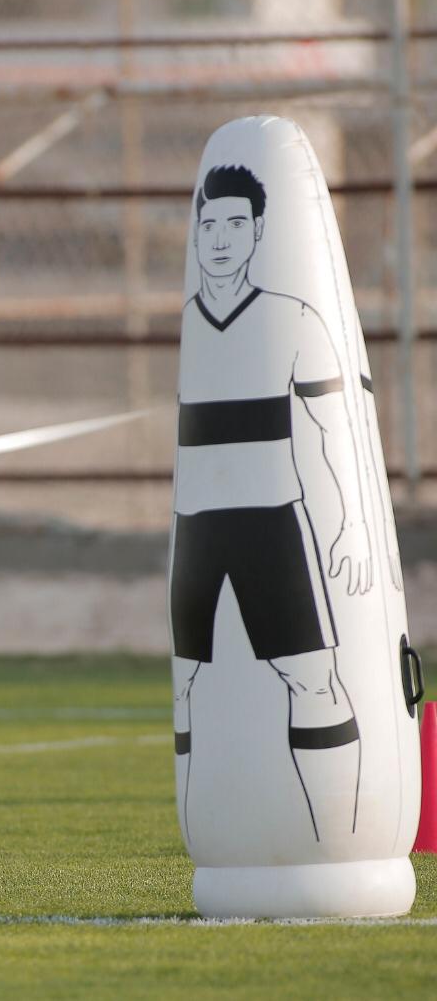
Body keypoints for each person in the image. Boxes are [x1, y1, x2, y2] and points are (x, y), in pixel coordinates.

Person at [172, 163, 376, 843]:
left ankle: (340, 840)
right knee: (183, 688)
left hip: (272, 526)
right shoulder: (186, 325)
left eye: (235, 223)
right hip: (196, 531)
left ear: (258, 231)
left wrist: (347, 525)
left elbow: (334, 428)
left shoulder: (292, 317)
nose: (221, 238)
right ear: (195, 235)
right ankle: (208, 840)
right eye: (209, 224)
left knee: (314, 680)